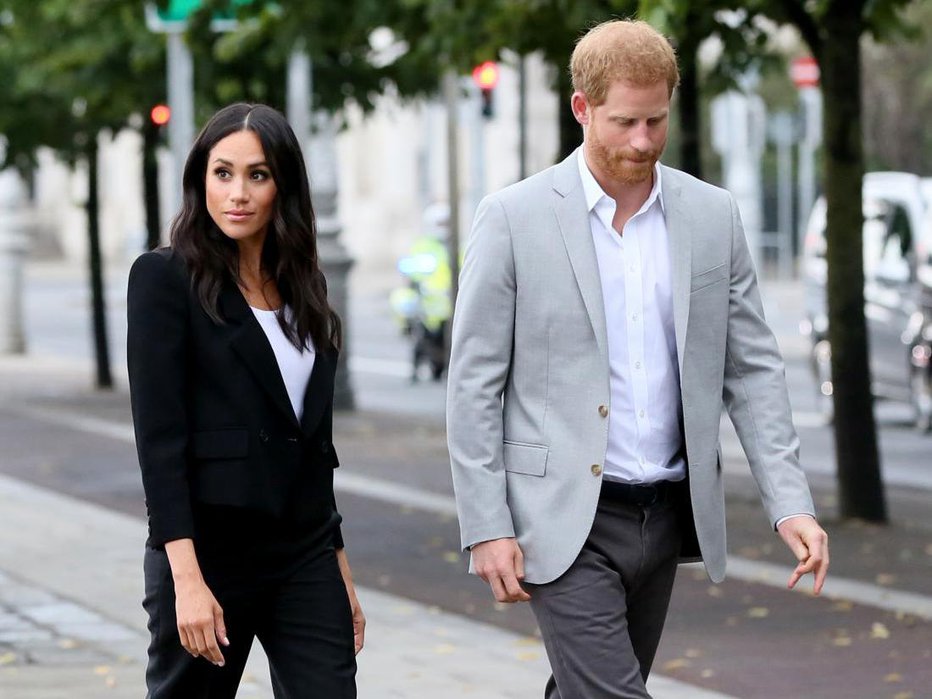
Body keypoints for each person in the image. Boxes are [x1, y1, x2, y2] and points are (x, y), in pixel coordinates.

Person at [446, 20, 829, 699]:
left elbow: (752, 368)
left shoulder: (713, 216)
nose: (644, 140)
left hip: (666, 514)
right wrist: (486, 524)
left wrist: (789, 502)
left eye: (656, 120)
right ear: (582, 108)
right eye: (625, 122)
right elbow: (474, 383)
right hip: (562, 514)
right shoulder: (512, 217)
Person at [127, 102, 364, 698]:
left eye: (257, 175)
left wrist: (338, 569)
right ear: (200, 179)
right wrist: (186, 578)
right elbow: (160, 442)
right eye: (222, 172)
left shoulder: (304, 288)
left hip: (303, 554)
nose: (238, 193)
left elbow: (315, 448)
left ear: (282, 184)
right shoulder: (164, 279)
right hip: (208, 552)